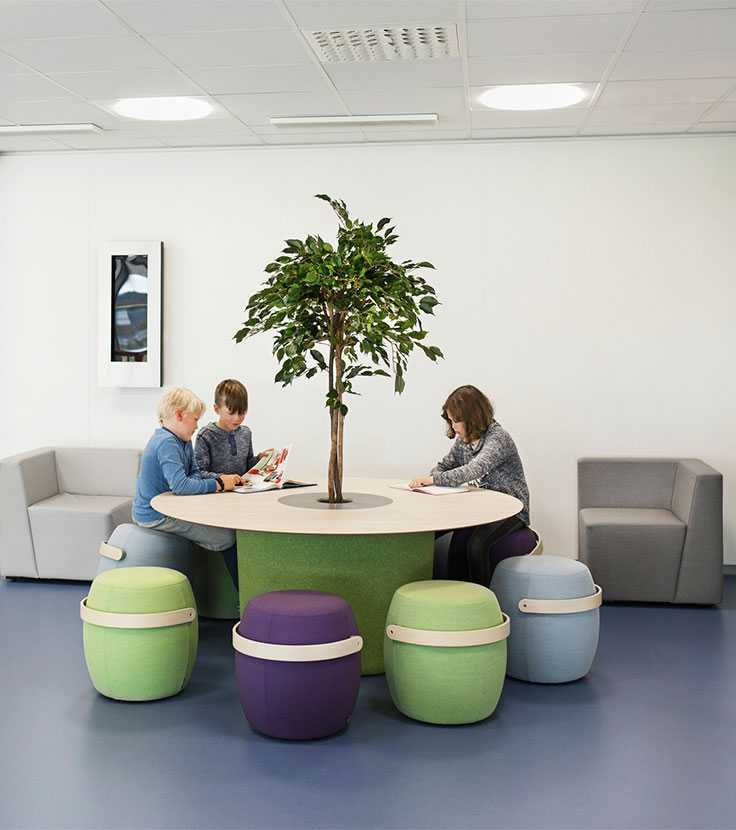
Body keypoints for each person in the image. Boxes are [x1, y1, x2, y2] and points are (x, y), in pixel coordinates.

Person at [409, 384, 530, 586]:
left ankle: (483, 604)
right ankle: (457, 600)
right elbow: (443, 466)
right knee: (456, 543)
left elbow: (473, 470)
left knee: (476, 545)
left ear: (472, 417)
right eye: (450, 420)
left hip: (510, 511)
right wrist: (435, 476)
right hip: (481, 510)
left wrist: (433, 480)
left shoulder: (498, 438)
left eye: (456, 420)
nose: (453, 426)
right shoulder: (464, 440)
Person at [132, 387, 241, 586]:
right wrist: (218, 484)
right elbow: (181, 485)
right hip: (155, 515)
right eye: (195, 419)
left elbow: (195, 474)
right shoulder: (166, 443)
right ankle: (243, 600)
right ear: (180, 415)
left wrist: (222, 478)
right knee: (227, 537)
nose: (197, 426)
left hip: (171, 508)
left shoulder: (182, 440)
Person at [195, 378, 266, 478]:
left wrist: (260, 459)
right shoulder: (206, 435)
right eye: (231, 413)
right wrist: (223, 478)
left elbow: (247, 466)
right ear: (216, 409)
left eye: (242, 412)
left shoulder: (246, 433)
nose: (237, 418)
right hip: (217, 492)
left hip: (242, 491)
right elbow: (199, 473)